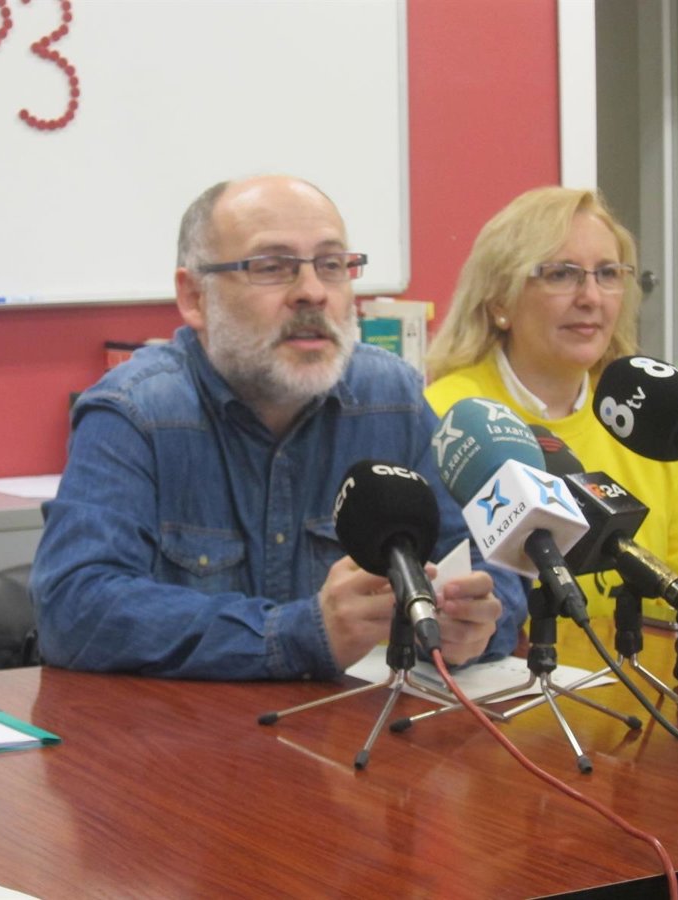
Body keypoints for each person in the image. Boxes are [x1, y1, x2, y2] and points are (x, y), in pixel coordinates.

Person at [30, 175, 526, 679]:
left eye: (331, 265)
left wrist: (476, 620)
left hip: (353, 719)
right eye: (271, 267)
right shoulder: (134, 412)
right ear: (195, 297)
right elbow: (74, 609)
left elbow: (489, 565)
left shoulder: (390, 399)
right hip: (185, 723)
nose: (312, 292)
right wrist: (300, 633)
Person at [425, 186, 678, 622]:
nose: (591, 298)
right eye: (561, 274)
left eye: (608, 274)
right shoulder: (448, 420)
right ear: (500, 300)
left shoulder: (652, 415)